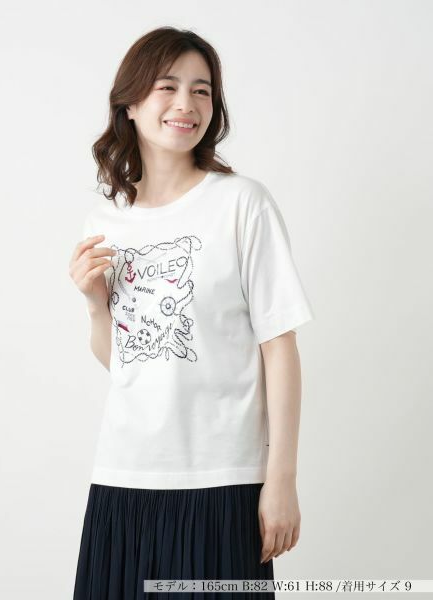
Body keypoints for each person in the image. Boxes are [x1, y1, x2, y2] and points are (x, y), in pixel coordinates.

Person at [69, 26, 315, 600]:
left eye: (202, 91)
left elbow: (280, 347)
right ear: (130, 104)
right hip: (122, 478)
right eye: (167, 86)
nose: (186, 104)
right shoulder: (107, 222)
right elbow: (125, 364)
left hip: (222, 481)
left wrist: (280, 479)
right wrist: (96, 305)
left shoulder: (242, 204)